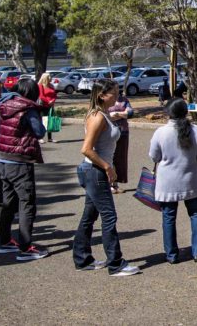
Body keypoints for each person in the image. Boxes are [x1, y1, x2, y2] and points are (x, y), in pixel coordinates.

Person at [73, 79, 140, 275]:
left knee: (89, 216)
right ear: (102, 95)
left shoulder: (104, 114)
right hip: (94, 171)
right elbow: (86, 149)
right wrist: (107, 168)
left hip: (96, 170)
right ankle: (115, 263)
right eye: (114, 92)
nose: (117, 96)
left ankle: (82, 259)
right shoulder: (98, 117)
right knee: (109, 216)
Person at [149, 98, 197, 264]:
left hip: (167, 181)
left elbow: (154, 156)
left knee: (168, 216)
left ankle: (171, 254)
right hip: (190, 178)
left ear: (168, 113)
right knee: (196, 214)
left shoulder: (161, 132)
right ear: (186, 112)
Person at [0, 79, 48, 261]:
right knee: (27, 204)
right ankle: (26, 247)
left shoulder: (4, 104)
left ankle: (5, 241)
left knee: (8, 202)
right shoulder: (28, 108)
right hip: (20, 161)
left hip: (3, 158)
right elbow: (40, 132)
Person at [108, 91, 133, 194]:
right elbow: (107, 116)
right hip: (109, 133)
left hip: (123, 132)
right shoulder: (107, 100)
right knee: (110, 158)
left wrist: (117, 114)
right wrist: (123, 114)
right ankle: (109, 184)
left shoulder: (124, 100)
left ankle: (115, 184)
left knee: (120, 158)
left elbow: (130, 113)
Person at [37, 73, 57, 142]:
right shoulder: (40, 85)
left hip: (50, 106)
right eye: (49, 77)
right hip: (43, 105)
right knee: (43, 121)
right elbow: (41, 96)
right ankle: (40, 137)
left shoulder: (51, 85)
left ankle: (50, 138)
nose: (51, 78)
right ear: (45, 78)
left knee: (50, 121)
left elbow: (54, 94)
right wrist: (48, 101)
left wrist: (53, 101)